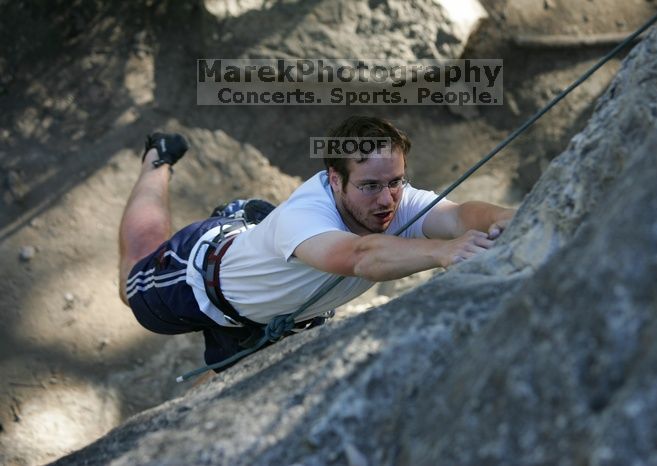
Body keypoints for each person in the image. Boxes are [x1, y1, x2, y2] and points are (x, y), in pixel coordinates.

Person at [118, 116, 515, 374]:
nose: (386, 200)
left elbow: (460, 215)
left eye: (395, 182)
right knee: (133, 273)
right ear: (335, 180)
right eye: (370, 186)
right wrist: (442, 252)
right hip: (197, 280)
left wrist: (507, 219)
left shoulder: (397, 199)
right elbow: (359, 257)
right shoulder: (306, 214)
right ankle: (159, 159)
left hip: (279, 315)